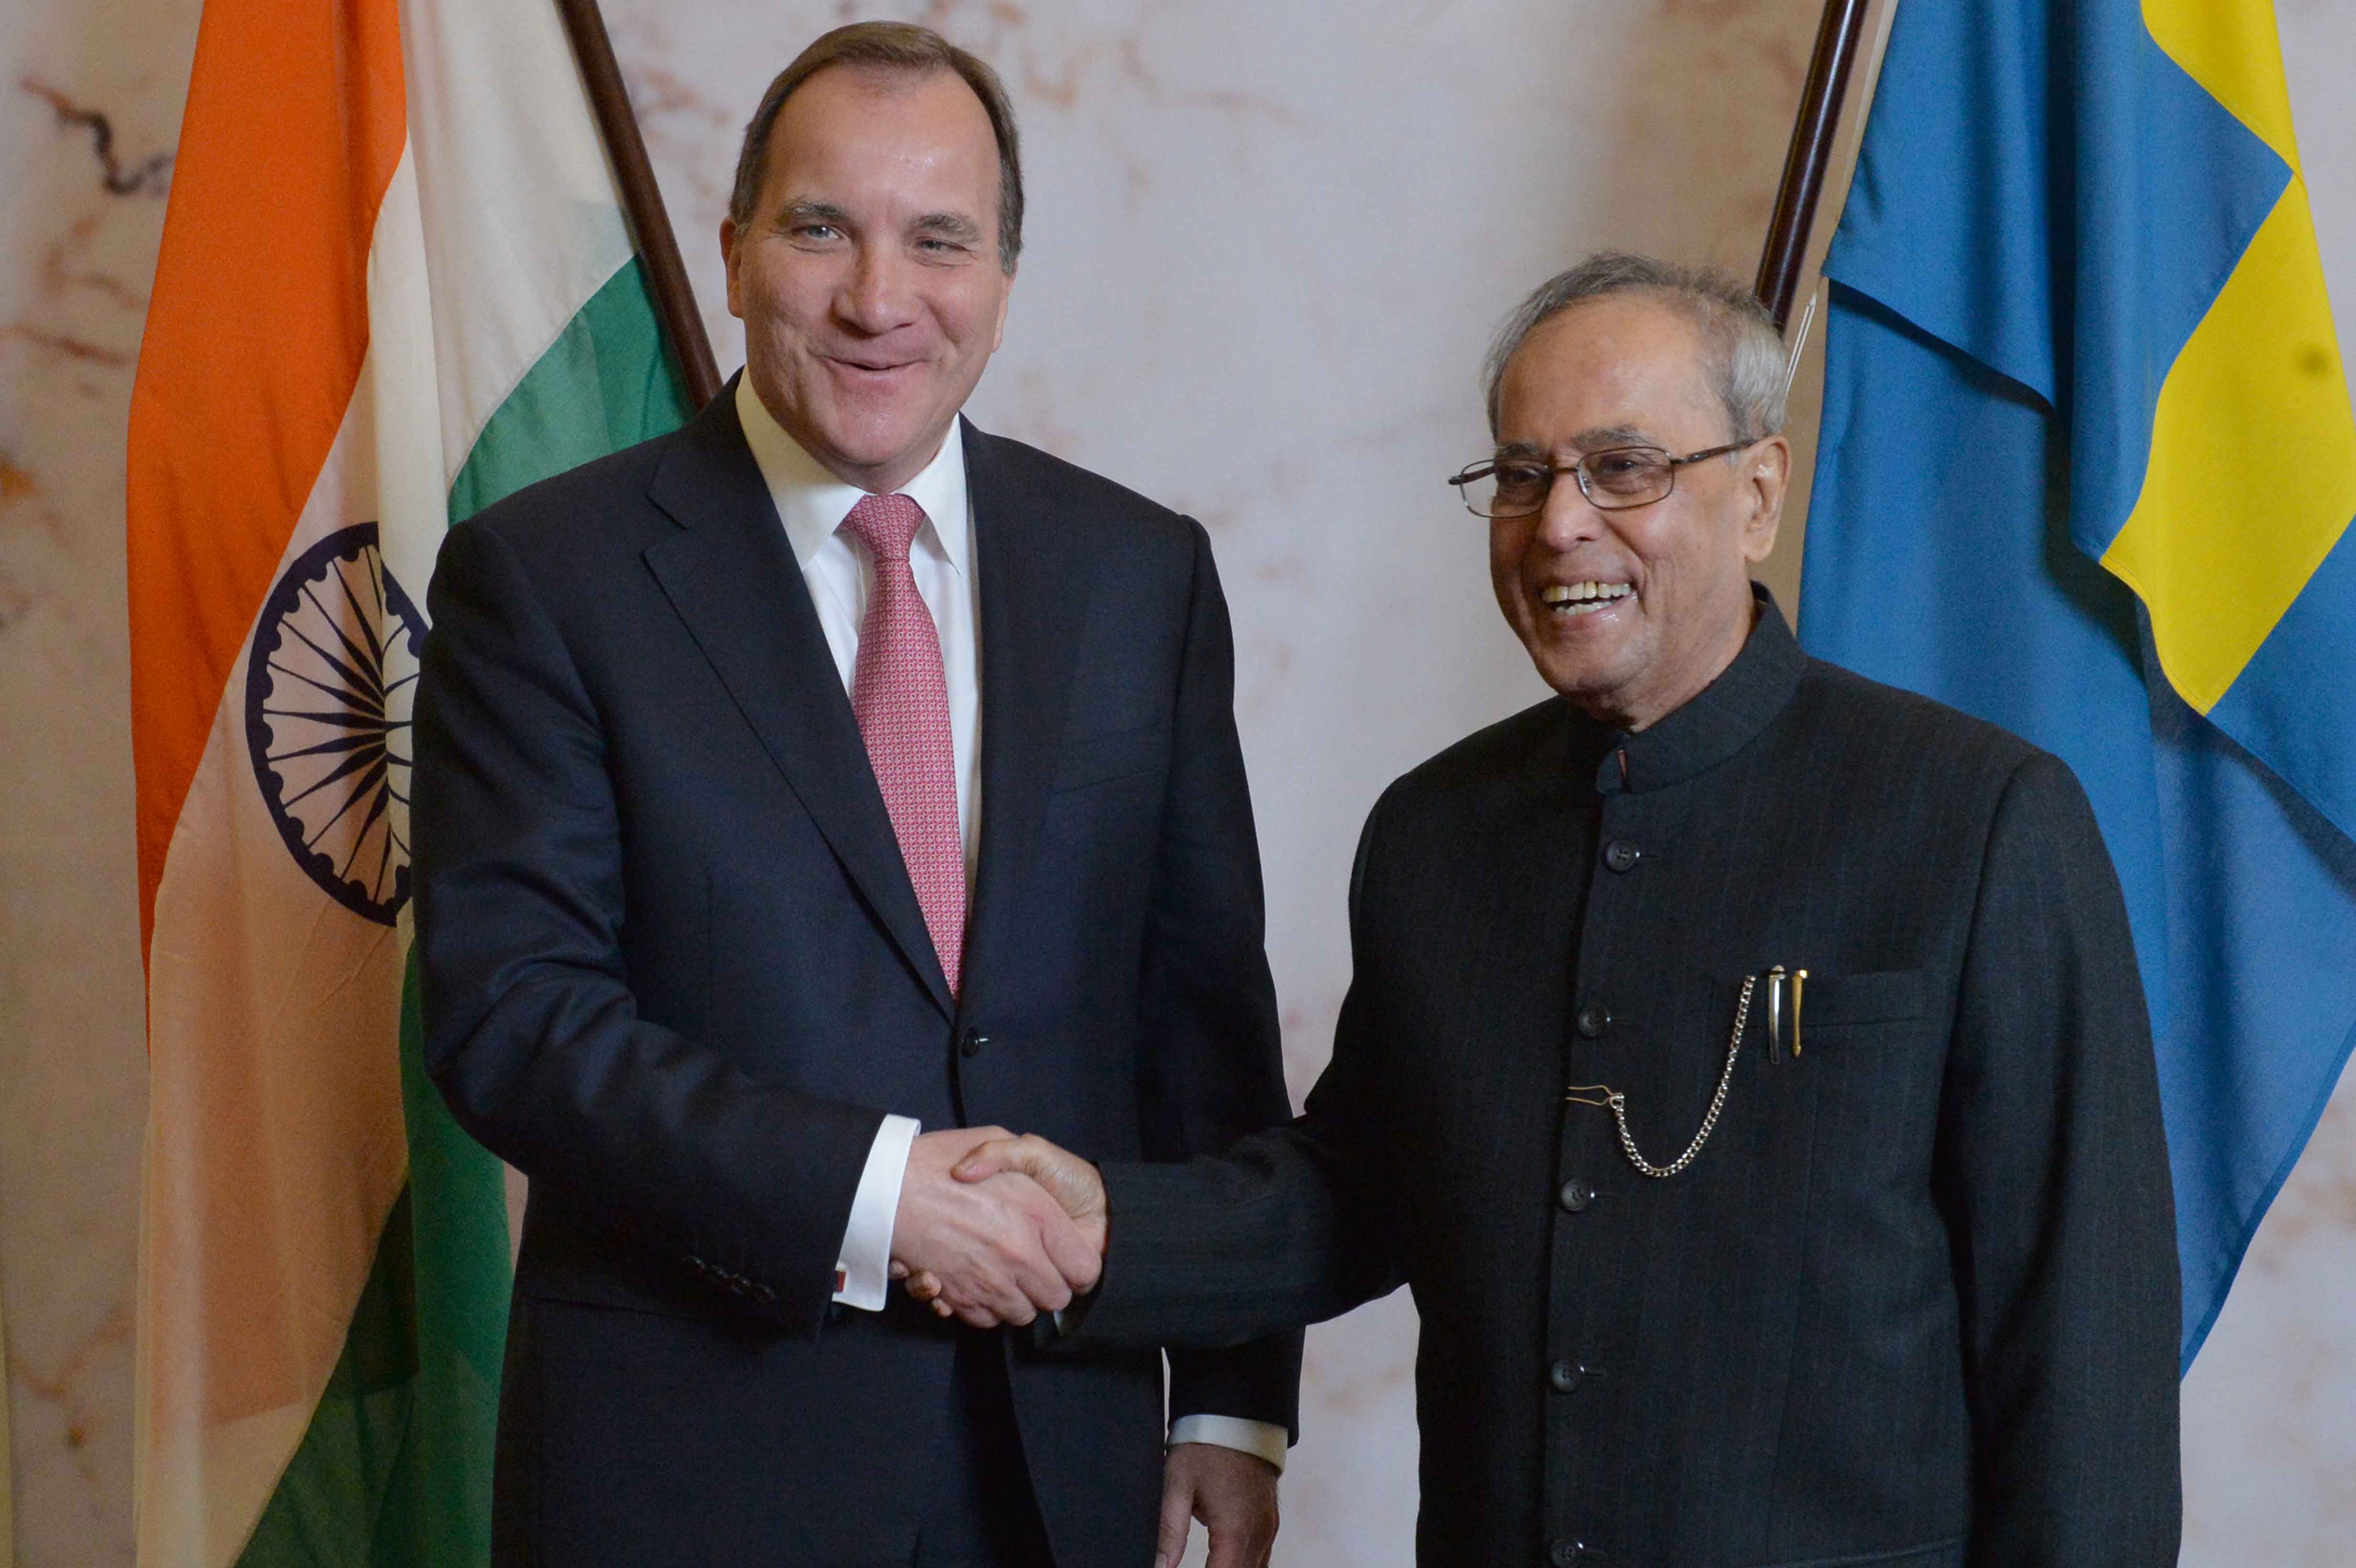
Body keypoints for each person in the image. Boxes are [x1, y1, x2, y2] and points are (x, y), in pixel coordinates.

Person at [938, 254, 2184, 1566]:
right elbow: (1363, 1185)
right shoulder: (1434, 834)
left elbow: (2081, 1358)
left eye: (1625, 467)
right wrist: (1106, 1227)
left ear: (1757, 496)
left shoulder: (1979, 821)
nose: (1560, 524)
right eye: (1521, 475)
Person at [413, 22, 1299, 1568]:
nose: (881, 299)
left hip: (1059, 1472)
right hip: (690, 1482)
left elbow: (1204, 1035)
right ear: (737, 249)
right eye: (822, 228)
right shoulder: (547, 581)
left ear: (1005, 279)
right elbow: (516, 1022)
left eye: (940, 241)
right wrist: (880, 1196)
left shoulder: (1139, 578)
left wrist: (1227, 1408)